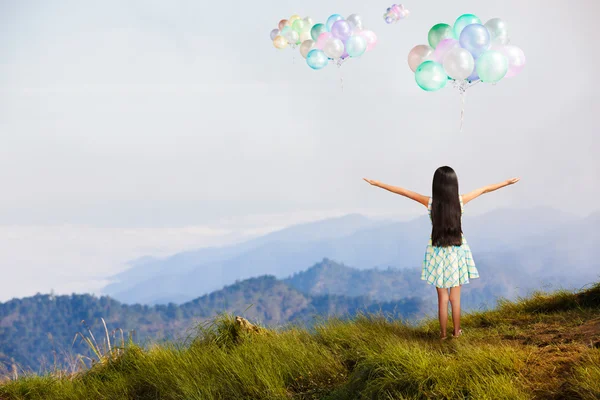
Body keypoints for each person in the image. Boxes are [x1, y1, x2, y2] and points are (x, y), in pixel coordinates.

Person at [364, 166, 520, 340]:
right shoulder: (460, 201)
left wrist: (377, 183)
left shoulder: (430, 203)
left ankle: (443, 334)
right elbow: (483, 190)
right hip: (457, 250)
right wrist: (506, 182)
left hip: (437, 251)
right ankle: (457, 333)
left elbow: (404, 192)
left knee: (442, 298)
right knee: (455, 297)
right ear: (454, 184)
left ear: (436, 185)